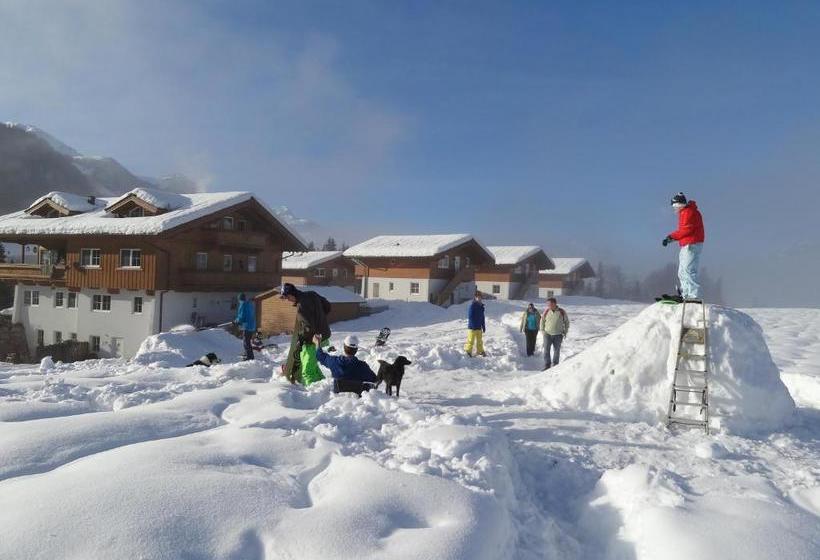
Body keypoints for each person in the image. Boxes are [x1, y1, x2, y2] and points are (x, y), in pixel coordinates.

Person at [281, 283, 332, 385]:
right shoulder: (312, 294)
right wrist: (320, 318)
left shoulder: (301, 308)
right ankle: (322, 385)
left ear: (291, 294)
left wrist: (301, 340)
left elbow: (308, 328)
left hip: (314, 339)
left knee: (307, 370)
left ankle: (313, 393)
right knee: (310, 362)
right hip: (324, 334)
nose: (287, 300)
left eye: (287, 297)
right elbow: (328, 306)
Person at [662, 192, 705, 301]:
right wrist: (671, 238)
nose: (674, 209)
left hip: (691, 244)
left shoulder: (688, 212)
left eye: (675, 206)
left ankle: (693, 295)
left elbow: (686, 230)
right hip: (686, 243)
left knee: (688, 270)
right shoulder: (685, 212)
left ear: (680, 204)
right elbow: (685, 230)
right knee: (682, 271)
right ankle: (685, 293)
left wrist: (671, 237)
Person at [314, 333, 378, 394]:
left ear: (344, 347)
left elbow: (320, 356)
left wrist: (317, 343)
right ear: (356, 349)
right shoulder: (363, 366)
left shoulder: (334, 362)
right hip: (357, 401)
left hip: (337, 400)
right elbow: (374, 380)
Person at [540, 297, 569, 371]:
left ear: (554, 303)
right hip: (547, 334)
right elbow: (542, 321)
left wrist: (565, 331)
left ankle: (555, 364)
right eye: (547, 304)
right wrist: (542, 331)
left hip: (558, 335)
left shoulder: (561, 311)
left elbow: (566, 322)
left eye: (549, 304)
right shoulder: (546, 311)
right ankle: (547, 365)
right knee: (546, 350)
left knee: (557, 350)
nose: (548, 306)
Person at [235, 293, 257, 360]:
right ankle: (247, 354)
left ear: (239, 299)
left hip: (247, 326)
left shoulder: (243, 304)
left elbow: (241, 316)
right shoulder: (249, 304)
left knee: (246, 342)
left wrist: (236, 321)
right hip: (252, 325)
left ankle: (249, 356)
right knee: (247, 341)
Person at [465, 291, 486, 357]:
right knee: (471, 340)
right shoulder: (473, 306)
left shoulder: (481, 306)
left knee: (480, 341)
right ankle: (468, 351)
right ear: (475, 298)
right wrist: (473, 325)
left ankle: (480, 351)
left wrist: (483, 326)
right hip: (472, 327)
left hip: (479, 327)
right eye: (478, 297)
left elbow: (482, 317)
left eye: (480, 297)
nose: (479, 298)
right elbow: (470, 316)